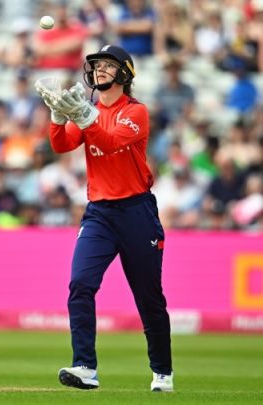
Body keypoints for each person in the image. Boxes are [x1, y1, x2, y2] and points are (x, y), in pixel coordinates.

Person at [35, 44, 173, 392]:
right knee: (80, 284)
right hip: (99, 213)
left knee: (149, 298)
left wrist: (82, 116)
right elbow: (63, 146)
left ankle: (162, 372)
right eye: (96, 65)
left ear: (124, 73)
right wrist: (57, 116)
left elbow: (110, 142)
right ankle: (84, 366)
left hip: (137, 212)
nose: (99, 71)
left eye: (108, 66)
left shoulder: (136, 112)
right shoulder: (90, 110)